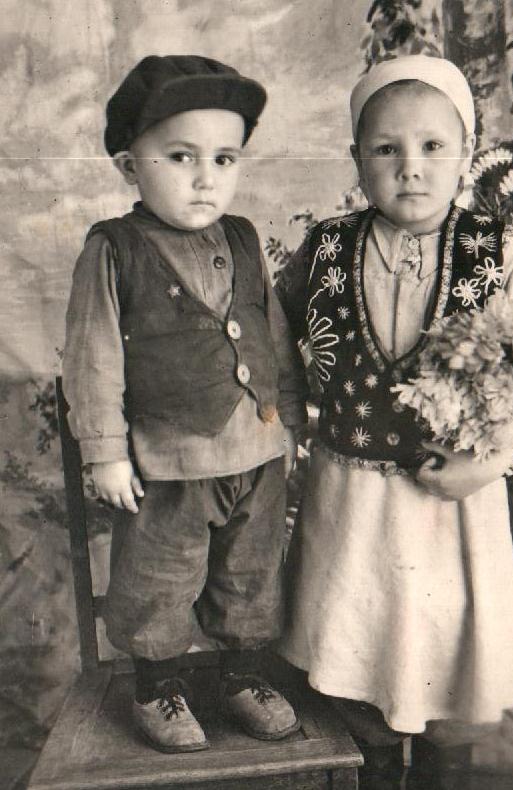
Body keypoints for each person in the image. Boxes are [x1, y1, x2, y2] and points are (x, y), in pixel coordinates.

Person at [275, 55, 513, 783]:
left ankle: (443, 772)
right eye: (386, 148)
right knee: (358, 648)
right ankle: (375, 766)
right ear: (357, 157)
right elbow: (272, 336)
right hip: (352, 499)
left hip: (453, 503)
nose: (410, 168)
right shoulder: (327, 248)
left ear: (466, 152)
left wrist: (490, 462)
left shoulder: (500, 251)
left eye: (432, 146)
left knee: (447, 659)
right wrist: (287, 418)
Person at [63, 55, 308, 754]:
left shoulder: (242, 237)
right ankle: (157, 686)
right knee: (160, 580)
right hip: (170, 461)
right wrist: (105, 452)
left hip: (255, 450)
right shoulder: (114, 249)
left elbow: (272, 335)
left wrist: (289, 419)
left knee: (250, 574)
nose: (207, 178)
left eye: (224, 159)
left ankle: (242, 677)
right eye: (180, 157)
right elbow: (92, 357)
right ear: (128, 166)